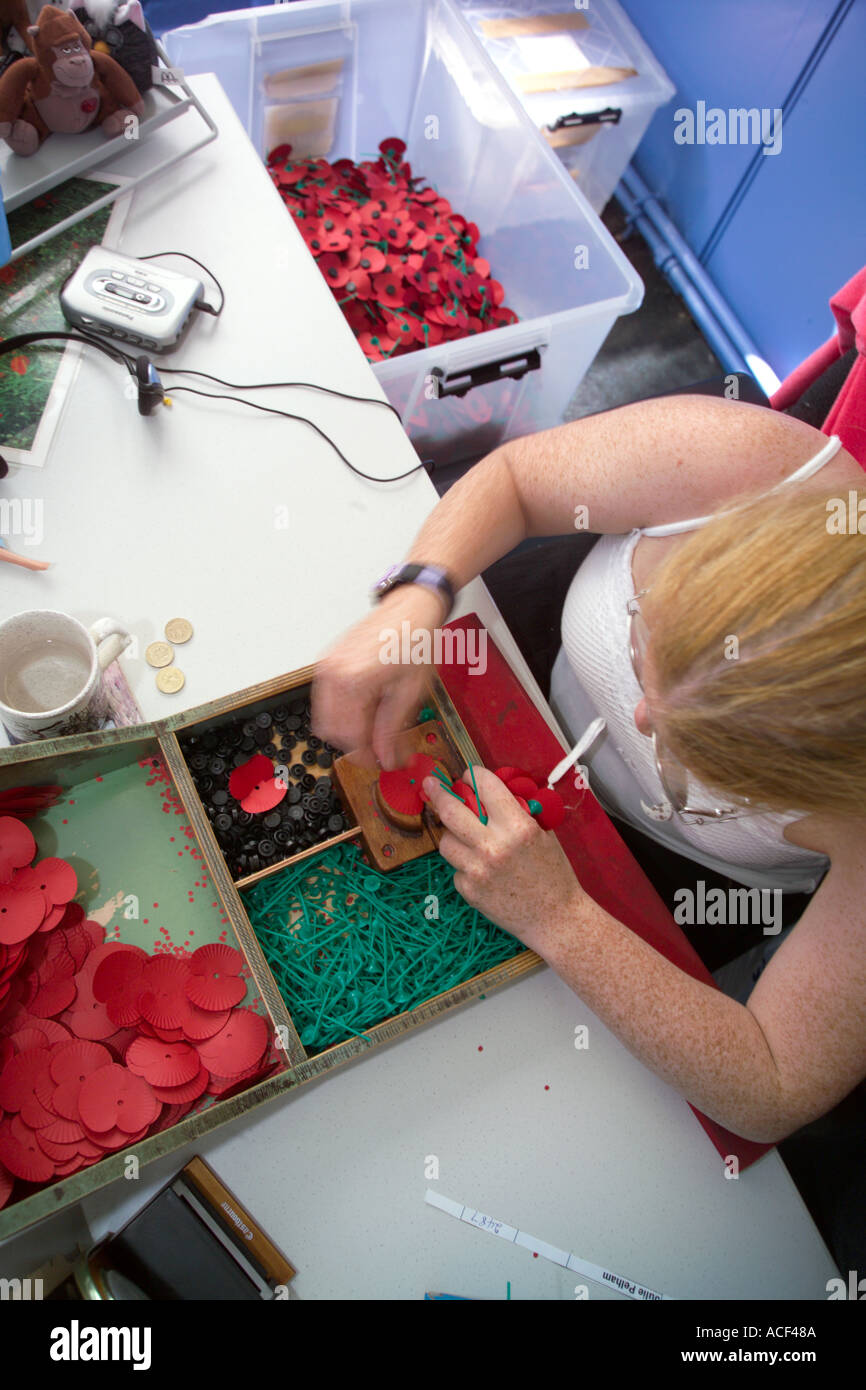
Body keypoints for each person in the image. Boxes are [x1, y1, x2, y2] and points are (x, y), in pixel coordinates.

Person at [312, 393, 866, 1148]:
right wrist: (419, 594)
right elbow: (516, 480)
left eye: (701, 760)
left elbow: (771, 1085)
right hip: (520, 650)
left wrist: (561, 920)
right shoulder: (753, 462)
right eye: (646, 650)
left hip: (663, 878)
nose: (640, 716)